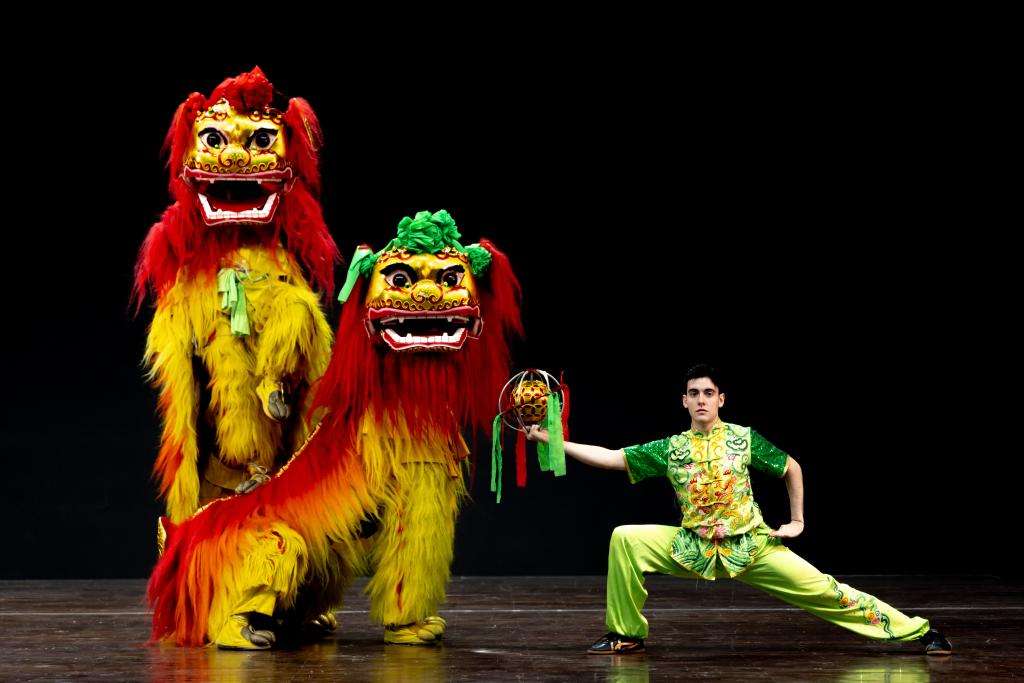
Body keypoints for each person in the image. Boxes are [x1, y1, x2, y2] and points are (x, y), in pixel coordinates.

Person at [526, 364, 952, 656]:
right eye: (694, 394)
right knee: (626, 538)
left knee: (828, 591)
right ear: (684, 401)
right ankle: (626, 635)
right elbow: (612, 457)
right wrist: (551, 440)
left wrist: (798, 521)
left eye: (708, 393)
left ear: (721, 399)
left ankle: (918, 630)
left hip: (752, 547)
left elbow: (791, 467)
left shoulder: (743, 439)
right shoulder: (671, 448)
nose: (701, 400)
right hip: (693, 547)